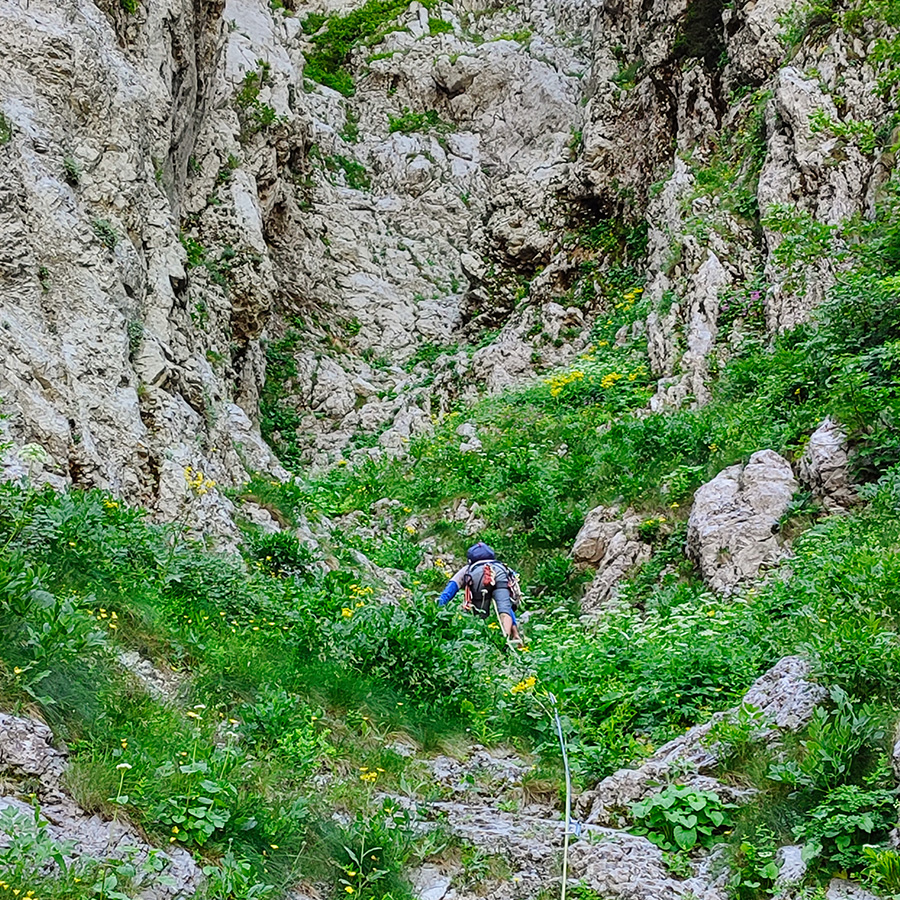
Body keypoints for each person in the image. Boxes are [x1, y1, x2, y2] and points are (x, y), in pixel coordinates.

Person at [437, 542, 522, 644]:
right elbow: (508, 603)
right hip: (499, 573)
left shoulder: (468, 568)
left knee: (480, 615)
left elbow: (451, 588)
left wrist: (438, 605)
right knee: (504, 608)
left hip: (477, 577)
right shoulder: (500, 566)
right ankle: (508, 637)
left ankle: (482, 639)